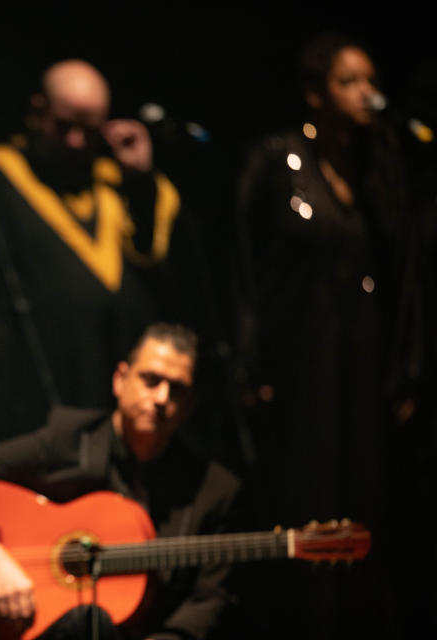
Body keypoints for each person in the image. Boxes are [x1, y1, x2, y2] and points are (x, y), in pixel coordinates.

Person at [235, 33, 414, 639]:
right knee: (305, 490)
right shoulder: (275, 158)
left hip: (358, 363)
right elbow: (245, 266)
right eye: (349, 81)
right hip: (297, 361)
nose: (367, 94)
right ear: (315, 93)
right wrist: (249, 362)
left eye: (371, 80)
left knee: (363, 490)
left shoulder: (374, 168)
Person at [0, 323, 241, 640]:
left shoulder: (213, 489)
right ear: (120, 379)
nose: (161, 397)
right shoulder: (67, 441)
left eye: (177, 389)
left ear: (189, 406)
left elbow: (210, 599)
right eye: (150, 380)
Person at [0, 60, 222, 445]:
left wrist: (139, 179)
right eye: (64, 125)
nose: (75, 141)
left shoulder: (114, 183)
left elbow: (156, 257)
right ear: (38, 111)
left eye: (89, 130)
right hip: (35, 383)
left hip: (116, 376)